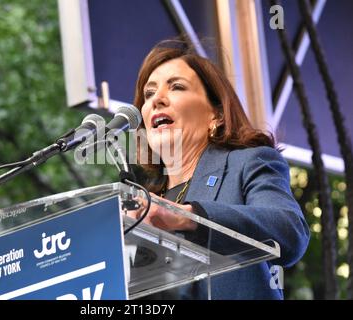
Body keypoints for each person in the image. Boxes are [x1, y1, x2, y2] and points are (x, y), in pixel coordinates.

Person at [128, 39, 310, 300]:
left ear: (217, 114)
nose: (156, 100)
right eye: (148, 94)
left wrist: (189, 218)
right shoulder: (144, 207)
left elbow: (289, 231)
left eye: (176, 86)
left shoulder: (249, 163)